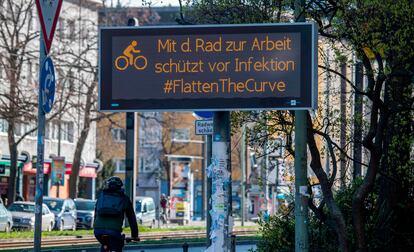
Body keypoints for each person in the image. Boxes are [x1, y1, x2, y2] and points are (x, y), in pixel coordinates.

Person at [94, 176, 139, 252]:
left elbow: (96, 214)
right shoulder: (124, 199)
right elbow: (132, 219)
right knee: (118, 244)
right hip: (114, 231)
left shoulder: (101, 197)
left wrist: (96, 227)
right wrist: (134, 235)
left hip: (98, 230)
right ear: (120, 186)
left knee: (105, 245)